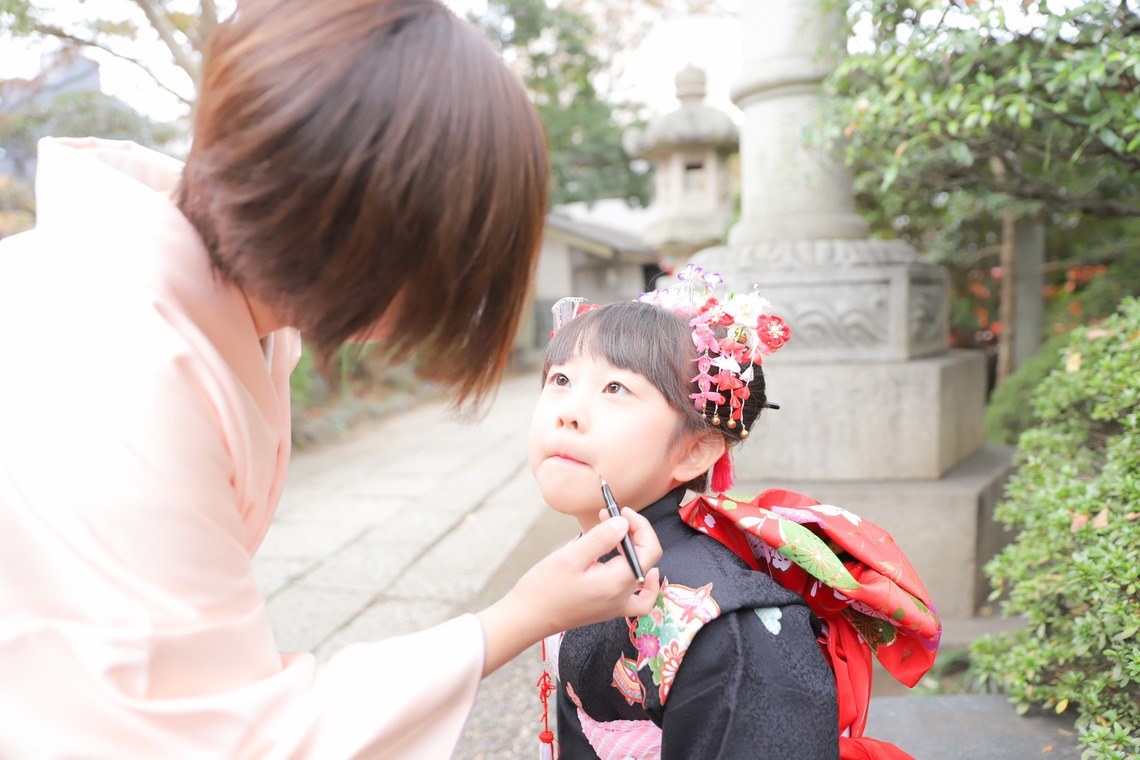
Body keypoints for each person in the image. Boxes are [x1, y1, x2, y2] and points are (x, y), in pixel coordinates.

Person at [0, 1, 663, 757]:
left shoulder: (219, 312)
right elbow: (227, 735)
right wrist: (518, 616)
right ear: (367, 226)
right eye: (450, 261)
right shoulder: (114, 356)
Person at [527, 266, 943, 759]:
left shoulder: (728, 624)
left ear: (695, 451)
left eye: (616, 388)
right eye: (561, 379)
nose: (568, 410)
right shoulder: (585, 562)